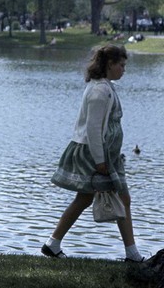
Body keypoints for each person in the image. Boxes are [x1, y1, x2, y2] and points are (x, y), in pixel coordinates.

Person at [41, 44, 145, 262]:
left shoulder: (106, 86)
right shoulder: (99, 91)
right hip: (96, 155)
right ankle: (132, 254)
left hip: (109, 156)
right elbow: (93, 129)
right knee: (113, 198)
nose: (124, 69)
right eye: (121, 65)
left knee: (94, 199)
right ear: (110, 64)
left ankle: (53, 243)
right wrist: (100, 161)